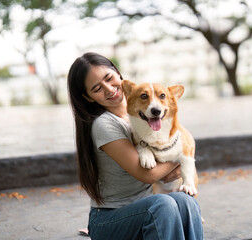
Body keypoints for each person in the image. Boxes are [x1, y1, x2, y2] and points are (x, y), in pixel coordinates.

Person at [67, 52, 203, 240]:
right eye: (97, 88)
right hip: (110, 219)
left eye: (109, 78)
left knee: (184, 200)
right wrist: (178, 160)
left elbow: (186, 137)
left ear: (117, 72)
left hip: (147, 206)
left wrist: (182, 153)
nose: (109, 89)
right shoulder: (104, 124)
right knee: (163, 205)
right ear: (88, 97)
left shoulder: (143, 110)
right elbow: (147, 175)